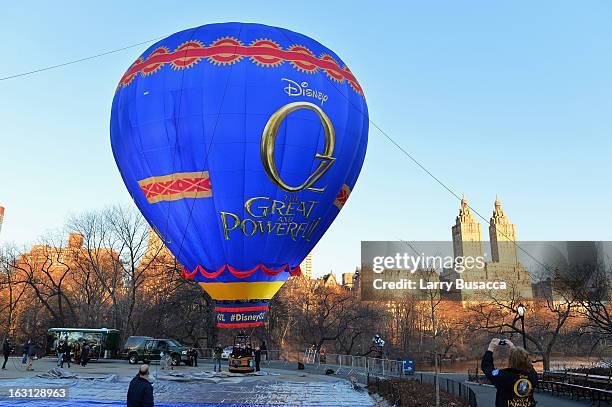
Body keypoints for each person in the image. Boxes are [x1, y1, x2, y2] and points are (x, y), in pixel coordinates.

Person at [481, 338, 538, 407]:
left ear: (511, 361)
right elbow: (528, 365)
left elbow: (487, 368)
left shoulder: (503, 375)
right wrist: (514, 349)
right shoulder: (532, 375)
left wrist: (490, 349)